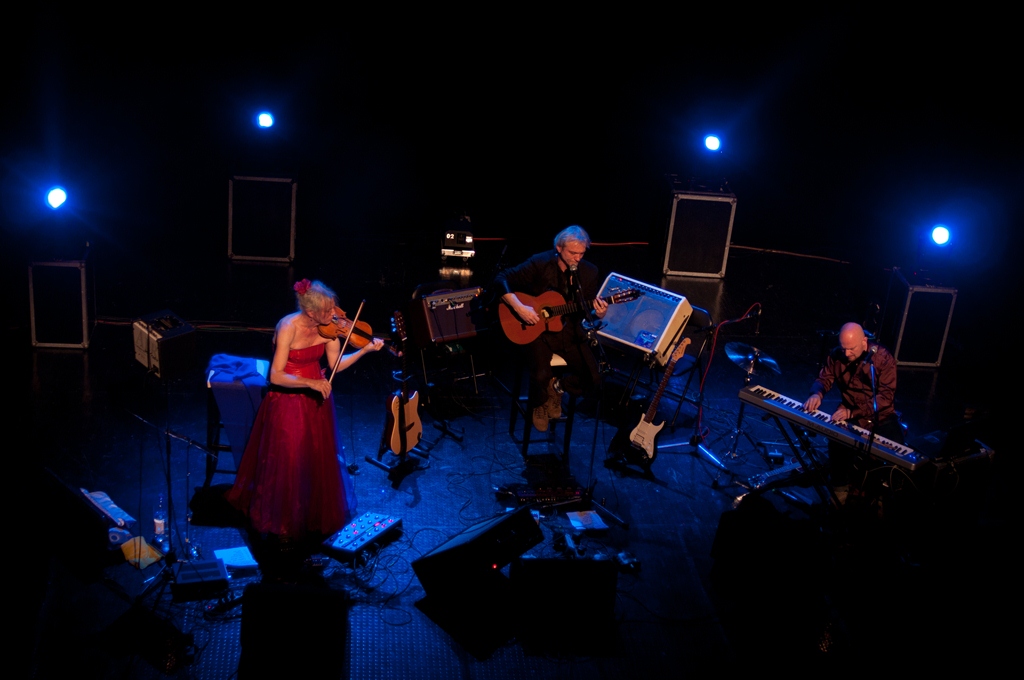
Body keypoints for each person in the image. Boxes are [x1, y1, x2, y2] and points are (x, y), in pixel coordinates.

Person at [226, 278, 384, 576]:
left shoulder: (329, 329)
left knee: (314, 459)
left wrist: (364, 351)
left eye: (334, 308)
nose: (336, 315)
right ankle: (284, 525)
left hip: (317, 401)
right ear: (311, 312)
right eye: (328, 311)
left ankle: (309, 515)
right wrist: (310, 383)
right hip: (288, 399)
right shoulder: (288, 326)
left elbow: (335, 364)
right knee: (289, 462)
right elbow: (276, 375)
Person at [494, 225, 608, 431]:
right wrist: (518, 307)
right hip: (538, 331)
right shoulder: (540, 263)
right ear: (559, 248)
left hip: (569, 332)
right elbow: (501, 278)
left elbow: (585, 311)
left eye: (581, 253)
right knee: (541, 374)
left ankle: (557, 387)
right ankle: (539, 403)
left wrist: (597, 313)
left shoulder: (589, 272)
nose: (577, 258)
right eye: (572, 253)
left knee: (594, 379)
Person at [802, 322, 903, 487]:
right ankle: (839, 487)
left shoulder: (882, 359)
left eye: (851, 349)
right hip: (850, 412)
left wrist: (852, 412)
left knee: (900, 456)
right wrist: (817, 393)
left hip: (880, 416)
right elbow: (824, 378)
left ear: (864, 341)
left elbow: (885, 397)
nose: (847, 353)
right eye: (844, 349)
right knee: (837, 441)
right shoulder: (837, 355)